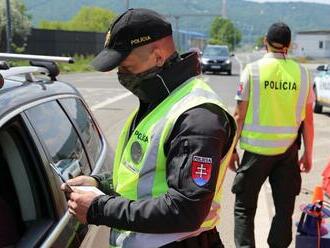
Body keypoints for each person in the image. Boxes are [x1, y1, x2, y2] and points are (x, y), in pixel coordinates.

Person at [62, 8, 237, 248]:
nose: (121, 75)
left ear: (157, 56)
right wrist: (100, 184)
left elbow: (185, 209)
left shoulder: (198, 116)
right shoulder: (160, 100)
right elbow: (146, 175)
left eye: (126, 66)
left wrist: (98, 208)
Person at [229, 22, 314, 248]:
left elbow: (239, 115)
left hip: (256, 153)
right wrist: (308, 154)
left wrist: (230, 150)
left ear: (265, 41)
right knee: (284, 210)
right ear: (289, 46)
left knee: (244, 209)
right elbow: (308, 119)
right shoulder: (303, 74)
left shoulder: (253, 70)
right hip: (287, 153)